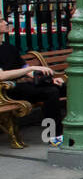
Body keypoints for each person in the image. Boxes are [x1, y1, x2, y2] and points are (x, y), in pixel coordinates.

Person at [0, 11, 64, 145]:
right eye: (1, 21)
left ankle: (73, 127)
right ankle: (54, 135)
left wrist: (51, 80)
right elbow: (1, 76)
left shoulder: (8, 47)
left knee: (61, 87)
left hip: (20, 86)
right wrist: (31, 69)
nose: (6, 23)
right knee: (50, 93)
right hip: (6, 90)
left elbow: (24, 68)